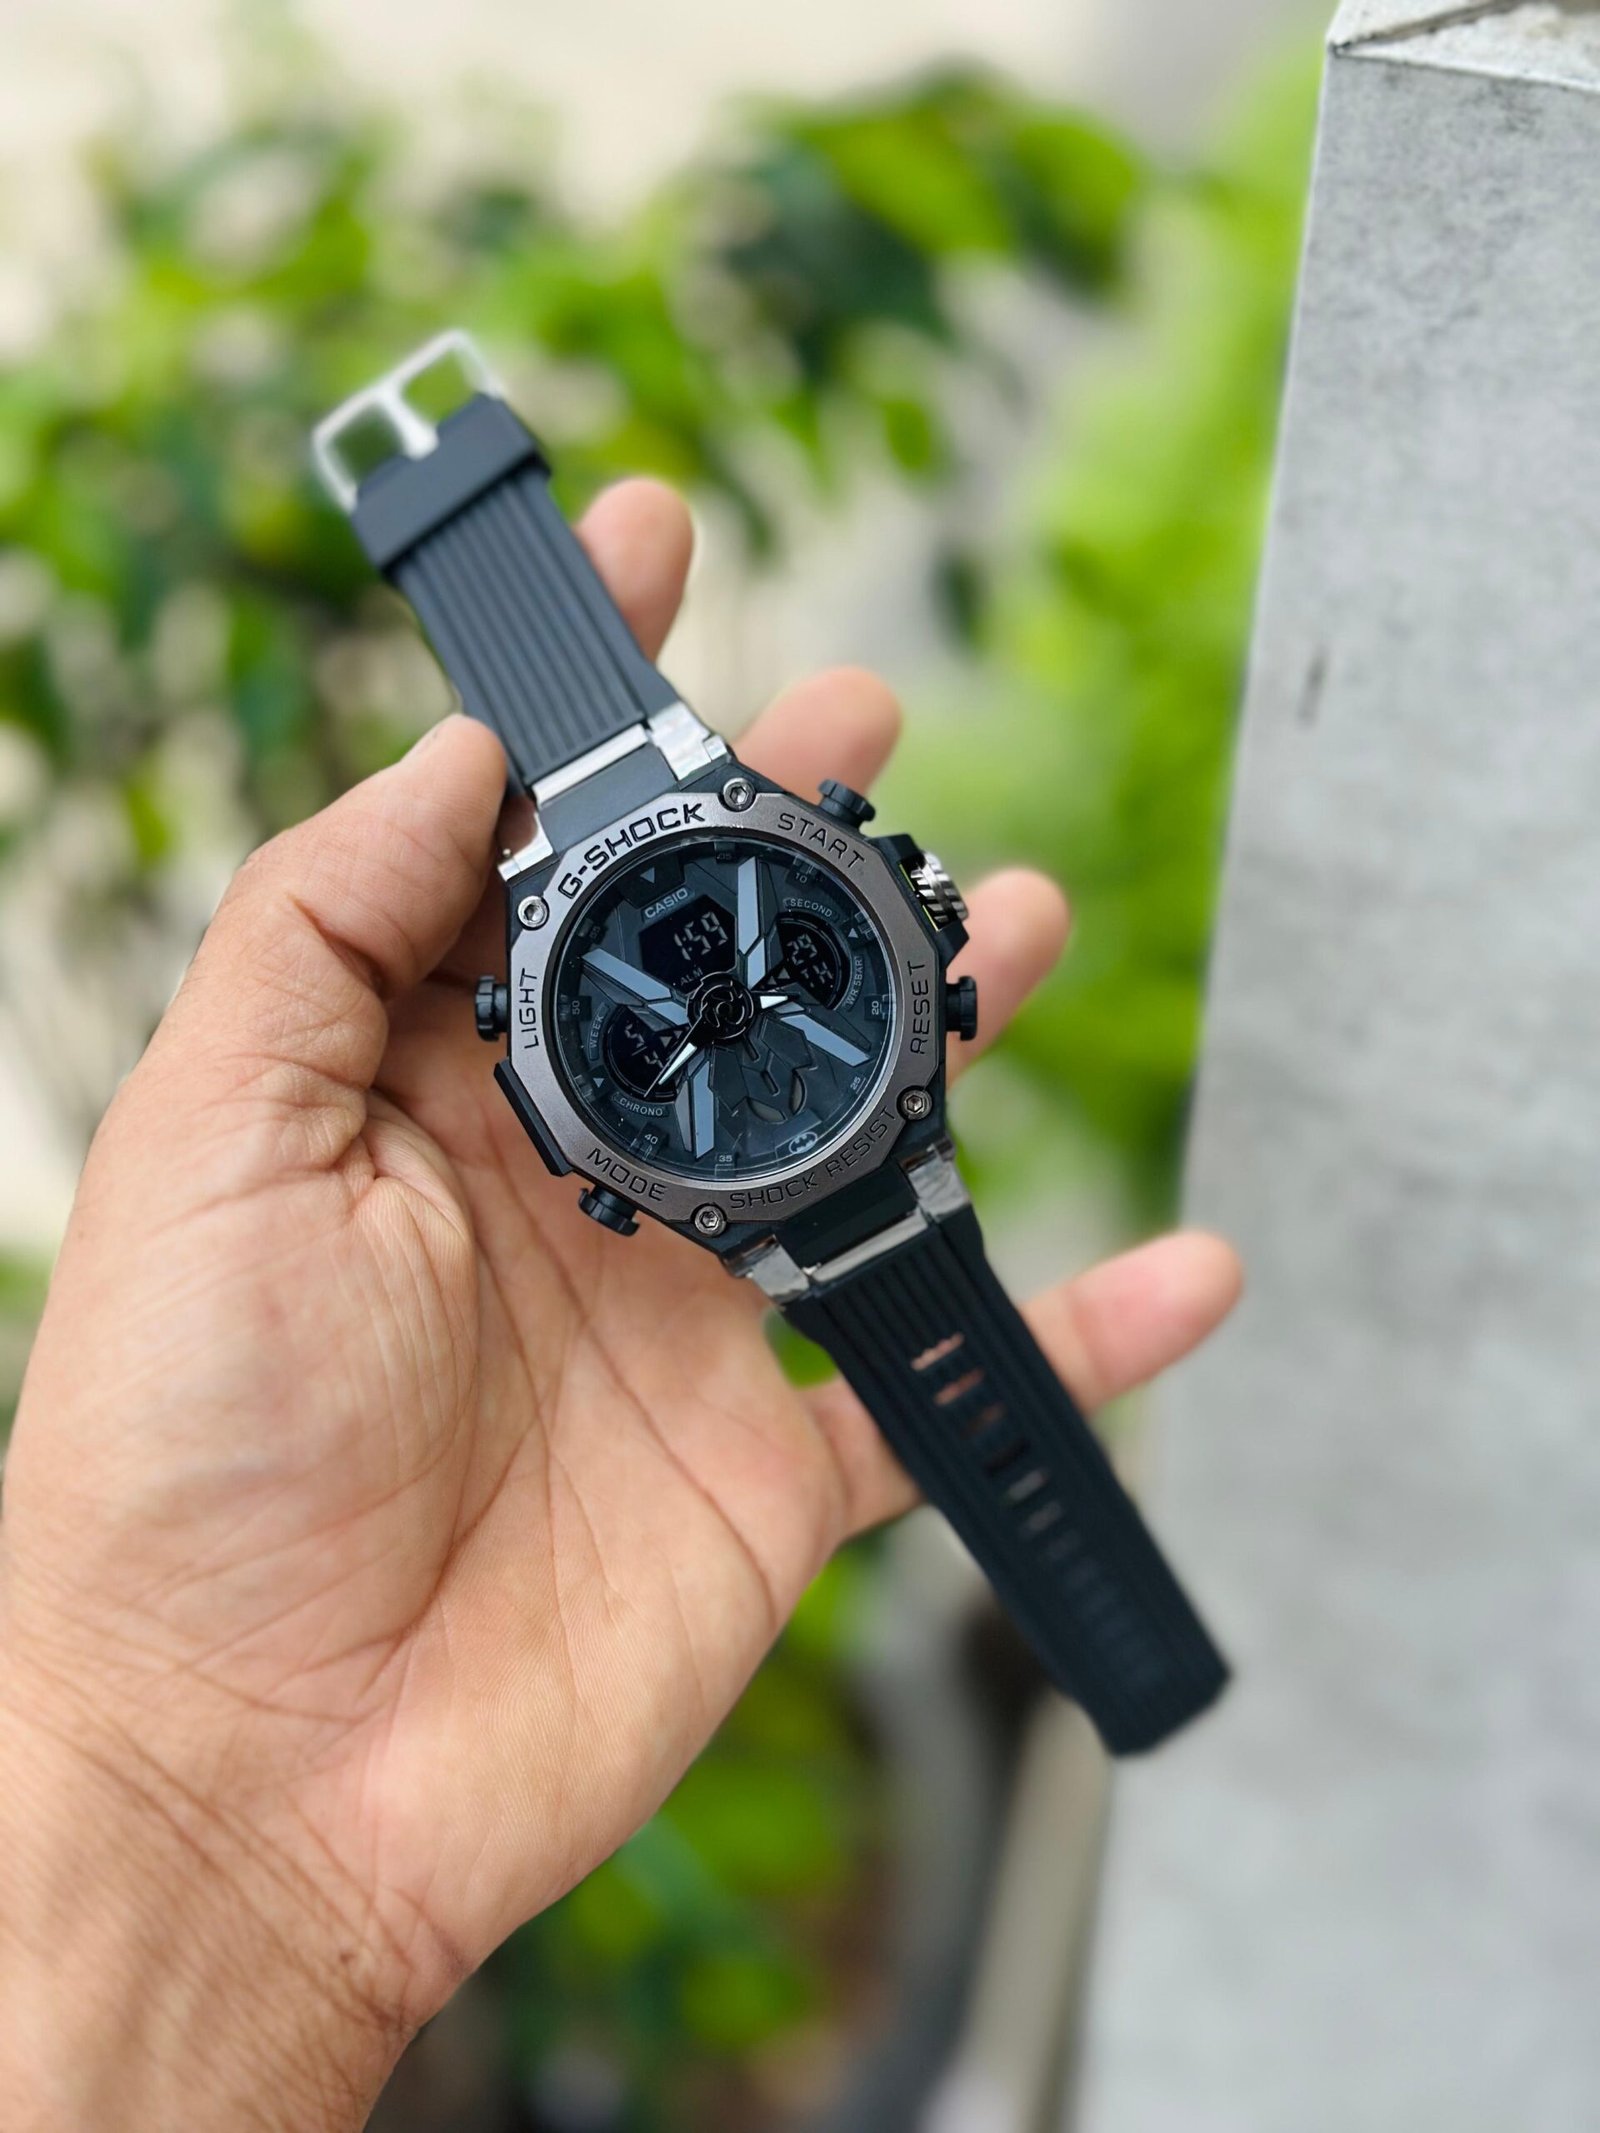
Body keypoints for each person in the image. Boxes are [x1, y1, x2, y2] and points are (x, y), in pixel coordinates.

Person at [0, 481, 1240, 2129]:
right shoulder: (608, 1041)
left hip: (845, 1151)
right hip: (799, 1179)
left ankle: (1146, 1664)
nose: (722, 1009)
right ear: (572, 1118)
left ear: (904, 907)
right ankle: (1145, 1667)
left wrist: (234, 1892)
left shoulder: (662, 993)